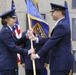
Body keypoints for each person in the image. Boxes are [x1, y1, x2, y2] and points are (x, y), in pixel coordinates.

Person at [29, 3, 74, 75]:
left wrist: (37, 55)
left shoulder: (62, 26)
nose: (51, 14)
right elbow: (51, 39)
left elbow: (51, 42)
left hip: (60, 64)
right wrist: (36, 39)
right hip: (59, 64)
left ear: (59, 13)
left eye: (53, 12)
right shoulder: (61, 24)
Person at [0, 9, 34, 75]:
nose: (15, 20)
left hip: (11, 64)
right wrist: (28, 51)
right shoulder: (5, 31)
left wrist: (27, 36)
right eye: (13, 18)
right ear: (7, 20)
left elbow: (17, 42)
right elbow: (13, 47)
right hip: (7, 65)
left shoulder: (9, 30)